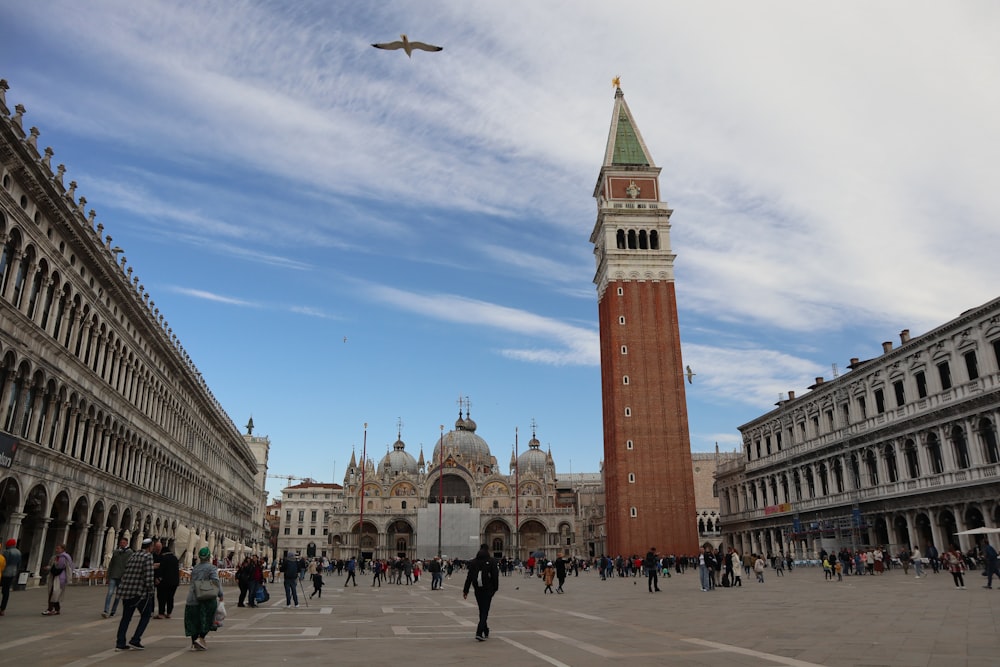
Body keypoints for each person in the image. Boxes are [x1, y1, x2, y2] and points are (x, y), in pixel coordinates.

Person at [115, 538, 155, 651]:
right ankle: (135, 640)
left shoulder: (133, 555)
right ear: (150, 547)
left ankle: (120, 643)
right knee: (146, 615)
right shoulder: (148, 557)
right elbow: (148, 577)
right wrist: (151, 591)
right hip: (139, 592)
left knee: (126, 618)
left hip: (126, 591)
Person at [185, 546, 223, 651]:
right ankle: (201, 638)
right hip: (204, 598)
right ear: (208, 557)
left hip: (191, 598)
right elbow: (216, 582)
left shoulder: (195, 568)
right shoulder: (211, 568)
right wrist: (221, 595)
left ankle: (194, 642)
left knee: (194, 621)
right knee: (208, 618)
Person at [463, 544, 499, 641]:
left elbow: (469, 577)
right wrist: (495, 588)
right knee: (485, 611)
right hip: (488, 589)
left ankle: (485, 630)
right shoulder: (492, 561)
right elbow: (495, 576)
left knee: (482, 610)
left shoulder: (473, 562)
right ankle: (479, 632)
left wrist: (465, 590)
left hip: (478, 590)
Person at [103, 536, 132, 618]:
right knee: (110, 593)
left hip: (122, 577)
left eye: (123, 543)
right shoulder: (115, 552)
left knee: (118, 595)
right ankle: (106, 610)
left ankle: (113, 610)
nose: (122, 544)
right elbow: (111, 565)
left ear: (126, 543)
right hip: (113, 576)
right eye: (121, 543)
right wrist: (108, 576)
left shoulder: (130, 553)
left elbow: (129, 566)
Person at [43, 543, 74, 615]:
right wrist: (49, 567)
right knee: (55, 593)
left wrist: (68, 578)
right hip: (53, 576)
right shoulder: (55, 557)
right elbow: (52, 565)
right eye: (56, 548)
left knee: (53, 593)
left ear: (62, 549)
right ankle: (57, 609)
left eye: (58, 548)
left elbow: (63, 567)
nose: (56, 550)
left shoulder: (64, 557)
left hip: (60, 577)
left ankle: (50, 609)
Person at [153, 539, 180, 619]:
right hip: (174, 582)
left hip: (164, 582)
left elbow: (162, 570)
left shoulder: (163, 558)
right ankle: (169, 613)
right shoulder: (175, 558)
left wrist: (158, 579)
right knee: (170, 598)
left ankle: (161, 613)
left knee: (161, 597)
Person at [1, 537, 22, 616]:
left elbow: (3, 562)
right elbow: (19, 564)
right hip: (13, 573)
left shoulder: (7, 552)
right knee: (6, 591)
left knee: (3, 589)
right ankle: (3, 609)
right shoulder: (19, 552)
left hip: (5, 572)